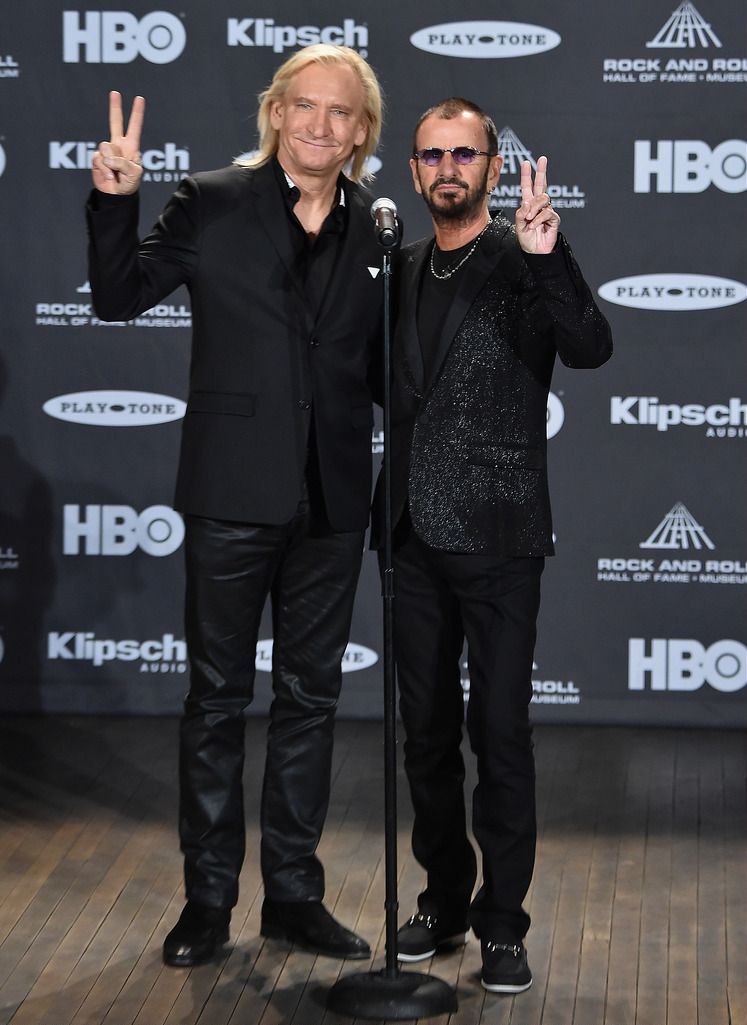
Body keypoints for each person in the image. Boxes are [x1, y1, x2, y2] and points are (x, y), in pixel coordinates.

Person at [86, 45, 389, 967]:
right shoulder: (211, 199)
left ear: (361, 132)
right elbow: (115, 298)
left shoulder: (377, 229)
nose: (319, 126)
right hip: (230, 493)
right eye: (304, 107)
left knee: (310, 700)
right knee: (216, 703)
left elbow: (378, 371)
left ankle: (293, 896)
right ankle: (207, 903)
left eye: (340, 114)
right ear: (275, 113)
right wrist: (115, 199)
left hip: (332, 499)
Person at [372, 98, 612, 993]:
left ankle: (501, 924)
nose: (447, 168)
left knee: (498, 733)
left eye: (462, 153)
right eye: (431, 154)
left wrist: (551, 258)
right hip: (407, 534)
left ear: (491, 164)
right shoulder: (393, 270)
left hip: (501, 537)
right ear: (413, 170)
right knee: (425, 735)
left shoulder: (522, 259)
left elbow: (591, 345)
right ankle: (441, 900)